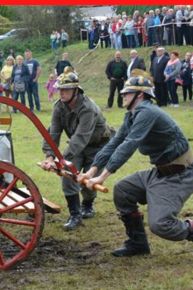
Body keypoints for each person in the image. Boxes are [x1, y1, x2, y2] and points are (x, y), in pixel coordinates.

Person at [78, 69, 193, 262]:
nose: (123, 95)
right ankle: (138, 243)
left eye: (127, 92)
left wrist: (102, 177)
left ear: (140, 95)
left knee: (161, 225)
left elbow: (130, 144)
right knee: (123, 190)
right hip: (161, 173)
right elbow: (115, 143)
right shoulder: (132, 115)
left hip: (181, 176)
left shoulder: (147, 111)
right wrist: (92, 170)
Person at [41, 67, 113, 230]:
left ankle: (88, 204)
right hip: (77, 146)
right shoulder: (59, 106)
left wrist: (60, 158)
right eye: (59, 89)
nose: (61, 93)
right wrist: (49, 156)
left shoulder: (88, 108)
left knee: (88, 183)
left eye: (65, 89)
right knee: (67, 174)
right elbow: (54, 131)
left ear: (76, 90)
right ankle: (75, 214)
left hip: (98, 147)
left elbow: (81, 137)